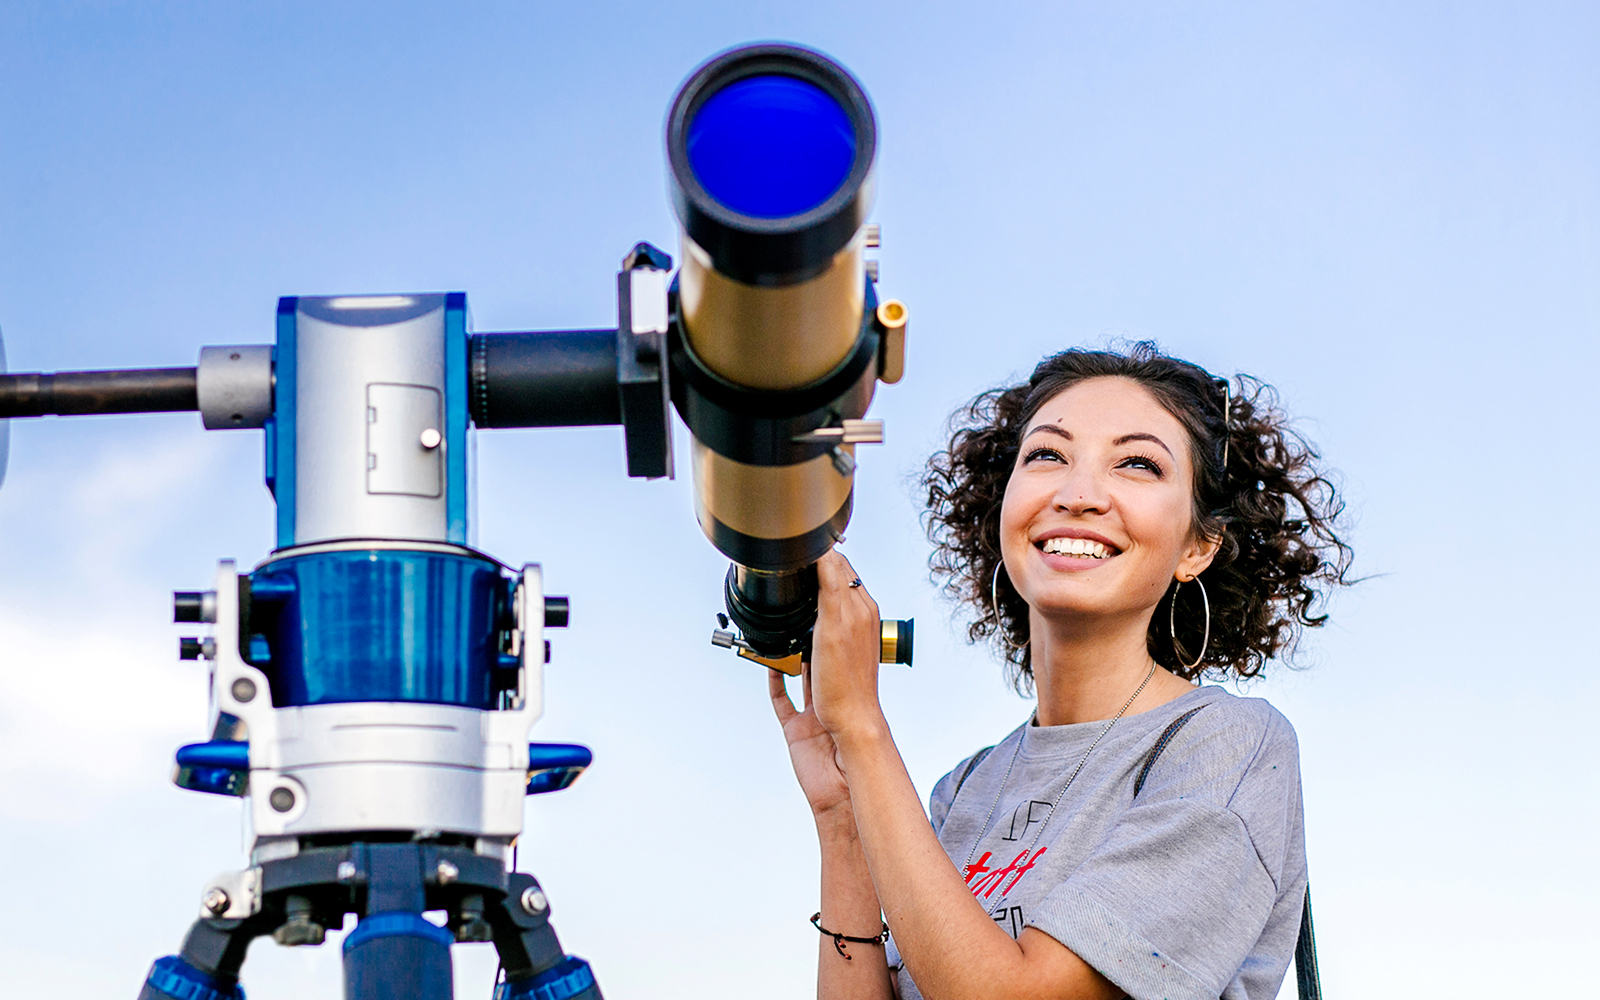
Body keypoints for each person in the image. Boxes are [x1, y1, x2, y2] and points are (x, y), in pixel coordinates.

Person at [769, 343, 1350, 1000]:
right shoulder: (964, 790)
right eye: (1047, 454)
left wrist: (865, 728)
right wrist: (844, 814)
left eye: (1137, 463)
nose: (1078, 494)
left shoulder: (1227, 745)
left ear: (1197, 545)